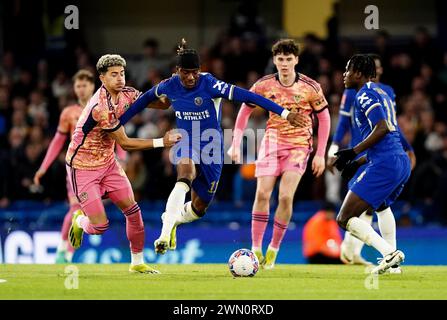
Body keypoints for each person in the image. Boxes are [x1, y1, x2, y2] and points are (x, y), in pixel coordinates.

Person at [118, 39, 308, 255]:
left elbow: (249, 97)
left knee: (200, 208)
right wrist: (118, 122)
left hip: (212, 147)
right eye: (185, 72)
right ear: (177, 70)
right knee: (185, 175)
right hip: (186, 140)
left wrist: (285, 113)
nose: (190, 77)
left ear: (200, 70)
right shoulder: (168, 85)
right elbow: (142, 102)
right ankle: (165, 232)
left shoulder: (210, 84)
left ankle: (173, 219)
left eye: (195, 72)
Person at [66, 54, 181, 273]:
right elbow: (126, 144)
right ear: (102, 78)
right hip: (83, 167)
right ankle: (80, 221)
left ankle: (137, 263)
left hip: (108, 163)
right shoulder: (100, 107)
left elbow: (163, 104)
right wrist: (162, 142)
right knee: (100, 226)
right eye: (114, 75)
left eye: (122, 73)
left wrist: (172, 83)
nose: (120, 78)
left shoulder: (128, 94)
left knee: (133, 211)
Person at [227, 39, 331, 269]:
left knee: (285, 196)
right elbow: (244, 111)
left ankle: (273, 249)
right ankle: (256, 248)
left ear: (296, 60)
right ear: (274, 60)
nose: (284, 63)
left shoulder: (310, 87)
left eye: (289, 59)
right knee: (263, 194)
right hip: (272, 142)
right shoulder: (264, 85)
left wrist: (321, 153)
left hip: (299, 145)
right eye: (280, 59)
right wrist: (235, 143)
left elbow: (324, 117)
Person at [327, 54, 416, 273]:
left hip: (385, 163)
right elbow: (390, 133)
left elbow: (383, 127)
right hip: (397, 160)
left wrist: (353, 150)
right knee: (382, 207)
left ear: (358, 72)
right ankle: (393, 266)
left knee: (344, 217)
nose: (344, 75)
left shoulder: (364, 95)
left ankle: (389, 253)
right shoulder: (382, 92)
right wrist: (358, 162)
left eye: (348, 70)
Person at [33, 70, 95, 263]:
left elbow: (117, 138)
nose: (81, 89)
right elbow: (57, 142)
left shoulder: (103, 109)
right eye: (78, 86)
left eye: (85, 85)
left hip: (100, 167)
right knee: (76, 207)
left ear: (93, 86)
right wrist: (43, 167)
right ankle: (64, 253)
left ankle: (66, 253)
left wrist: (122, 159)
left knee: (87, 212)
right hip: (76, 167)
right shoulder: (69, 113)